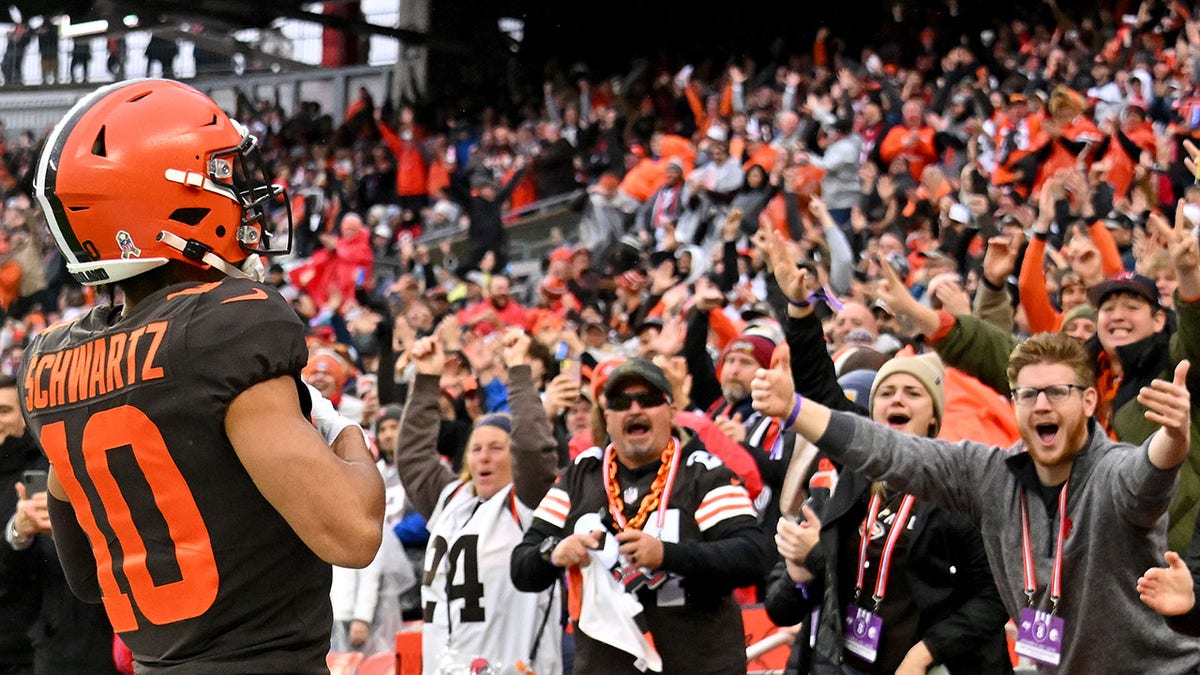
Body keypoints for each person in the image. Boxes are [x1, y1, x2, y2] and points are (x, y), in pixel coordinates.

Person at [18, 79, 384, 672]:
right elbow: (354, 533)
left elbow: (87, 576)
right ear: (166, 200)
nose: (244, 194)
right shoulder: (227, 327)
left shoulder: (51, 358)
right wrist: (343, 430)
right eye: (224, 175)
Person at [751, 331, 1200, 672]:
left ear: (1087, 401)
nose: (1041, 405)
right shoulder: (989, 474)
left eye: (1057, 392)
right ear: (1015, 404)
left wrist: (1175, 437)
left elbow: (1149, 475)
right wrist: (794, 409)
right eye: (1028, 394)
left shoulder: (1112, 471)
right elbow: (887, 451)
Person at [512, 358, 770, 674]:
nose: (635, 409)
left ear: (672, 412)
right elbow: (522, 567)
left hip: (698, 665)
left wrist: (668, 555)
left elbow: (754, 555)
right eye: (620, 402)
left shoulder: (704, 474)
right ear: (606, 418)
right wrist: (552, 553)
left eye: (648, 400)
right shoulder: (579, 477)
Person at [765, 353, 1012, 674]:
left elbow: (994, 599)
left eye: (912, 392)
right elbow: (780, 609)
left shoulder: (960, 489)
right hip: (845, 664)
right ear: (872, 415)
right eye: (886, 392)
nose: (897, 399)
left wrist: (925, 653)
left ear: (934, 418)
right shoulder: (836, 486)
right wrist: (800, 576)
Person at [396, 330, 561, 674]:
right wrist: (426, 379)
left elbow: (534, 449)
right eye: (476, 448)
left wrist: (518, 373)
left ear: (515, 458)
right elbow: (413, 458)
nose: (483, 457)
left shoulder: (530, 502)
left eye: (497, 448)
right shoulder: (454, 499)